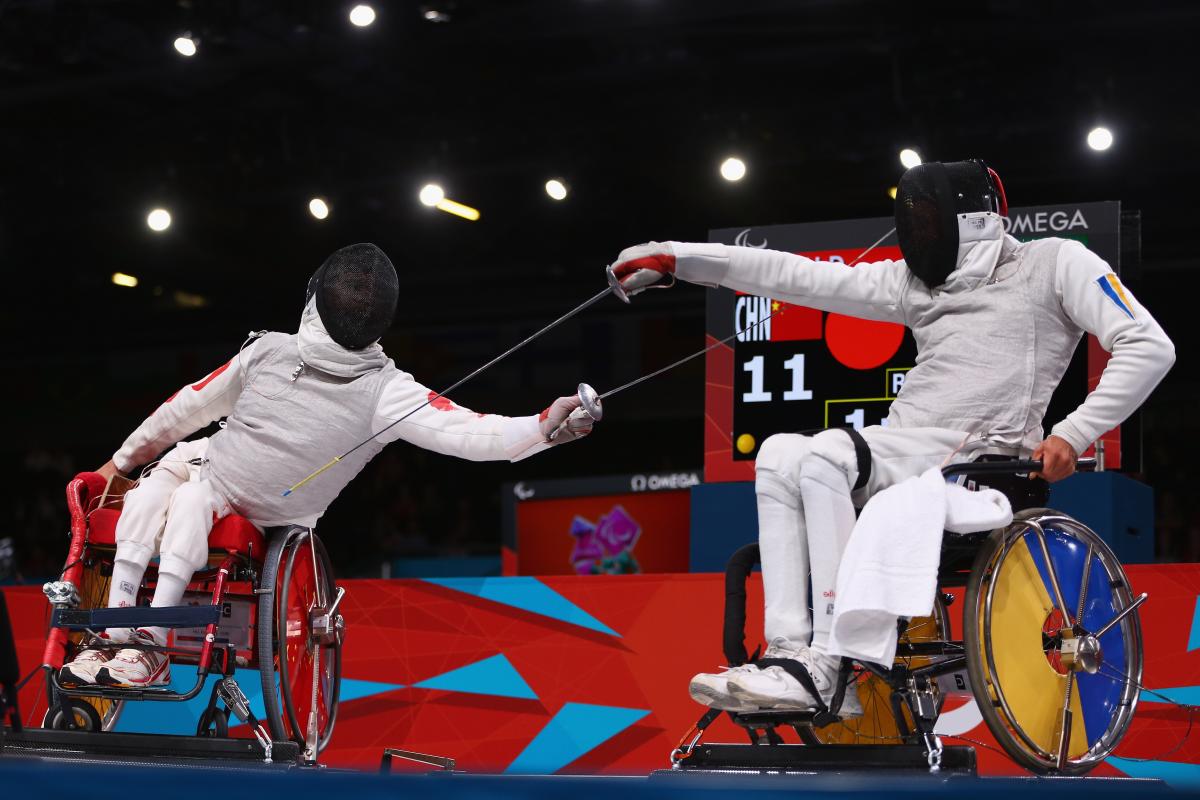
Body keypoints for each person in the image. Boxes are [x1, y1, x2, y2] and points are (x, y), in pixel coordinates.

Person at [608, 159, 1175, 714]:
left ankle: (831, 667)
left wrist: (1075, 433)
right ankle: (789, 654)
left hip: (983, 458)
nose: (918, 238)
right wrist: (679, 260)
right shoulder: (916, 281)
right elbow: (795, 275)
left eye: (928, 223)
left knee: (829, 454)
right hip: (908, 450)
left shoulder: (1055, 262)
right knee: (779, 454)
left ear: (971, 222)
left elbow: (1149, 345)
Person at [62, 243, 595, 688]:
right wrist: (122, 462)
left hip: (238, 504)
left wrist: (543, 425)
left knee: (186, 504)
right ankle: (112, 635)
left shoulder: (384, 392)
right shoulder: (270, 352)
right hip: (201, 463)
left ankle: (149, 648)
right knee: (150, 498)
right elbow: (188, 408)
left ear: (315, 301)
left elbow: (474, 432)